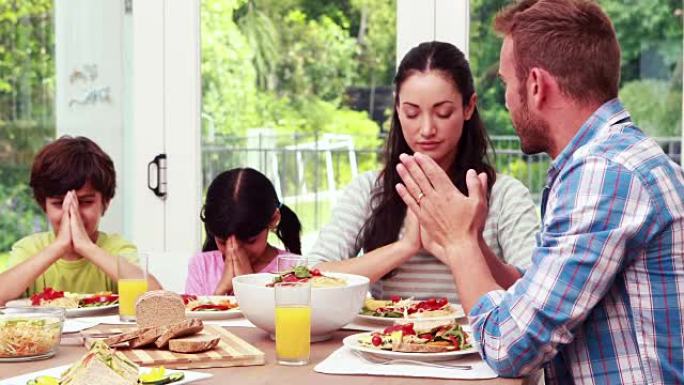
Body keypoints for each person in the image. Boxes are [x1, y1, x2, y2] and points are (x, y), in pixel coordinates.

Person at [395, 1, 684, 384]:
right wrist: (473, 242)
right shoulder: (614, 159)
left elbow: (509, 347)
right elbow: (534, 299)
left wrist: (459, 242)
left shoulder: (604, 174)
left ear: (535, 86)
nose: (506, 99)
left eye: (505, 83)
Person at [308, 41, 540, 302]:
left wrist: (459, 243)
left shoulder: (504, 194)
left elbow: (534, 289)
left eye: (443, 113)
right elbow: (313, 276)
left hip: (476, 341)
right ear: (397, 108)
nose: (427, 128)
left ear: (468, 107)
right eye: (412, 113)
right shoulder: (369, 189)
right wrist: (405, 246)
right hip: (387, 341)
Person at [0, 136, 161, 305]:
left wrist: (86, 247)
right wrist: (59, 246)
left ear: (105, 203)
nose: (72, 212)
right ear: (43, 205)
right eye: (58, 203)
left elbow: (157, 301)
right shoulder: (29, 249)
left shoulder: (116, 249)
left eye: (85, 202)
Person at [185, 168, 303, 295]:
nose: (234, 250)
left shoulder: (295, 270)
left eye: (250, 241)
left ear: (273, 219)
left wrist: (248, 284)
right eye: (223, 242)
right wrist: (220, 291)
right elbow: (192, 314)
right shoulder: (201, 266)